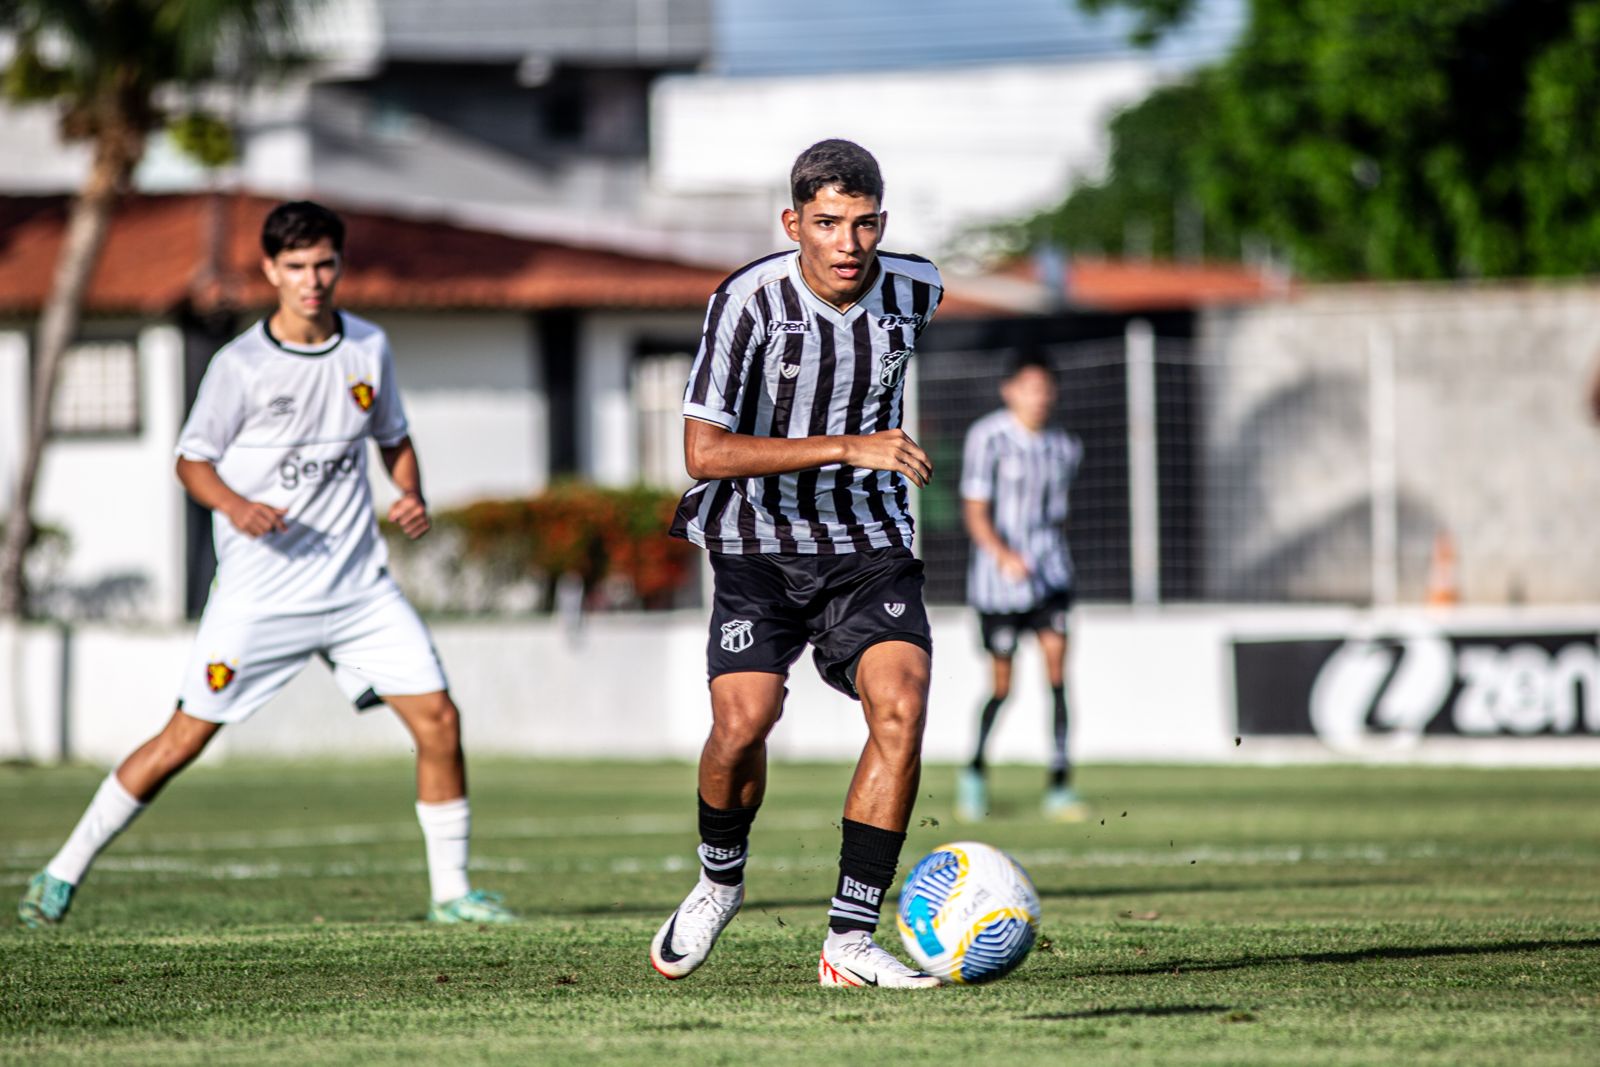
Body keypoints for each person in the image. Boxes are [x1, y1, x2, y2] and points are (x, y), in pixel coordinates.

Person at [17, 201, 514, 928]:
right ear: (271, 271)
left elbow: (394, 438)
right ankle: (60, 872)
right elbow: (192, 462)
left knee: (439, 719)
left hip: (358, 591)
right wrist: (236, 505)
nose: (312, 280)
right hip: (261, 598)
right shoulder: (240, 365)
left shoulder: (368, 346)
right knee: (183, 740)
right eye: (297, 266)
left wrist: (410, 492)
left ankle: (452, 893)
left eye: (324, 264)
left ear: (339, 266)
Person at [650, 139, 943, 988]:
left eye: (864, 223)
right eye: (827, 223)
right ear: (793, 223)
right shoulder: (747, 301)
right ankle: (718, 880)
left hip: (868, 543)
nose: (848, 243)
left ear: (882, 222)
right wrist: (850, 444)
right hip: (757, 541)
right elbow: (703, 453)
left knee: (902, 706)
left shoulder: (918, 289)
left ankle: (849, 939)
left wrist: (866, 462)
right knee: (744, 722)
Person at [956, 351, 1086, 823]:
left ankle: (1060, 785)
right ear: (1009, 390)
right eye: (1030, 387)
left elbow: (1059, 514)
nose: (1039, 397)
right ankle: (974, 774)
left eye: (1046, 388)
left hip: (1051, 579)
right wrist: (1003, 554)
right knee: (1002, 685)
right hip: (999, 586)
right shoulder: (988, 437)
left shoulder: (1065, 446)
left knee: (1057, 674)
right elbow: (975, 510)